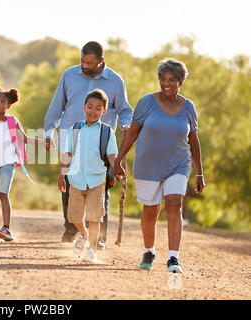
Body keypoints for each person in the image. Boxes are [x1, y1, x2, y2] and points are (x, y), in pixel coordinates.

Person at [114, 58, 205, 273]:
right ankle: (149, 250)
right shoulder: (147, 102)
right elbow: (132, 135)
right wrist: (117, 161)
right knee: (151, 211)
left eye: (172, 79)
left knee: (174, 205)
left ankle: (173, 258)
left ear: (180, 82)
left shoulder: (188, 107)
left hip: (178, 165)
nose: (166, 83)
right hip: (149, 165)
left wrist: (199, 172)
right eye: (163, 79)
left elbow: (193, 140)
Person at [44, 41, 133, 247]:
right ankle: (72, 230)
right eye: (82, 60)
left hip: (101, 142)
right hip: (72, 136)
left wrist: (126, 125)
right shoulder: (69, 75)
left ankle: (98, 237)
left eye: (89, 63)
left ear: (101, 61)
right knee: (68, 183)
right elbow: (57, 105)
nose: (84, 65)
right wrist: (48, 131)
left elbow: (125, 110)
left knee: (102, 188)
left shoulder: (116, 81)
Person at [58, 89, 118, 263]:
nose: (93, 111)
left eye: (98, 108)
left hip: (97, 179)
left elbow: (112, 156)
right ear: (84, 107)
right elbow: (68, 153)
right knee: (73, 216)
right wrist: (62, 175)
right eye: (90, 106)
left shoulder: (107, 132)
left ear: (104, 111)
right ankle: (83, 235)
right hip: (75, 178)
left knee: (94, 216)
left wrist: (116, 170)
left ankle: (92, 250)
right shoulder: (75, 128)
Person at [0, 87, 45, 241]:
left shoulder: (12, 121)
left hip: (8, 163)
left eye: (2, 101)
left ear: (8, 105)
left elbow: (25, 139)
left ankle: (7, 229)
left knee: (3, 194)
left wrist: (43, 143)